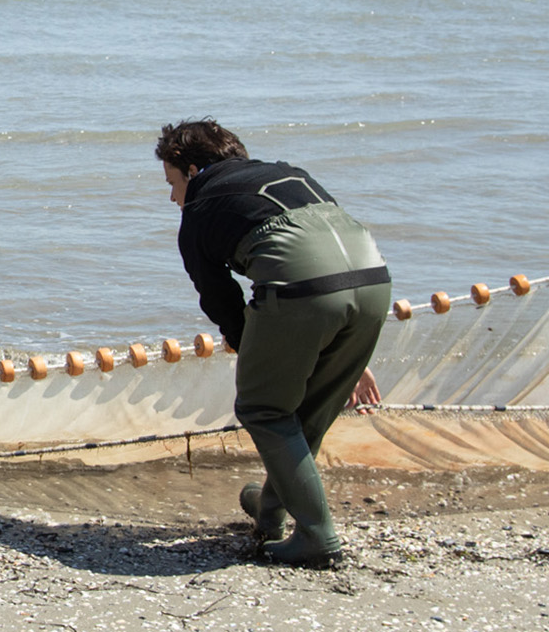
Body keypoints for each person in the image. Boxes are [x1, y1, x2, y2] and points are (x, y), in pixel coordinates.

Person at [157, 117, 389, 567]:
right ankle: (270, 510)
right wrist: (346, 353)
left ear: (190, 169)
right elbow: (332, 247)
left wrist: (257, 354)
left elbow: (222, 303)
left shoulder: (200, 211)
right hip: (375, 282)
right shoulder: (291, 174)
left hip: (305, 289)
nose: (171, 196)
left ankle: (318, 538)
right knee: (308, 413)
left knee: (264, 409)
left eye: (170, 182)